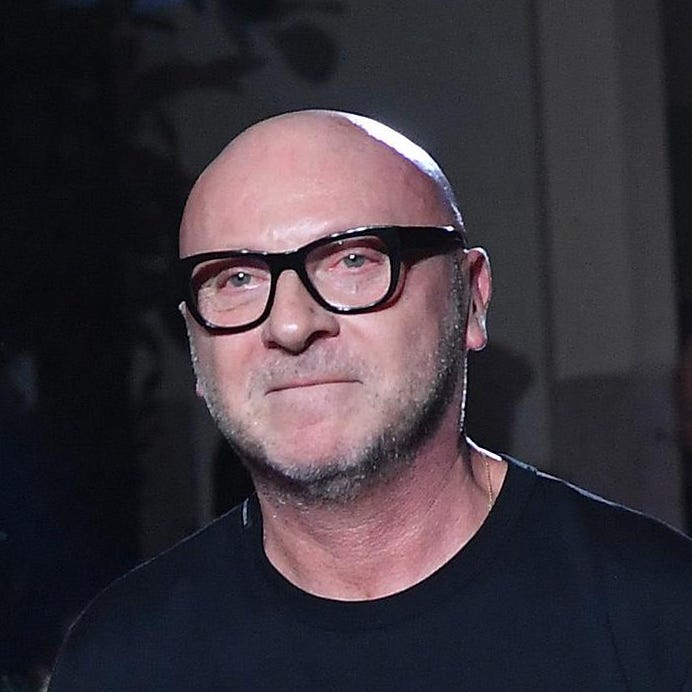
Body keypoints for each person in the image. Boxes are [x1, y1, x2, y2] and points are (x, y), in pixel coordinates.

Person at [49, 110, 692, 690]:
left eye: (353, 261)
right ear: (195, 341)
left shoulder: (657, 617)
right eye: (237, 278)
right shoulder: (123, 660)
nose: (291, 325)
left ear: (471, 299)